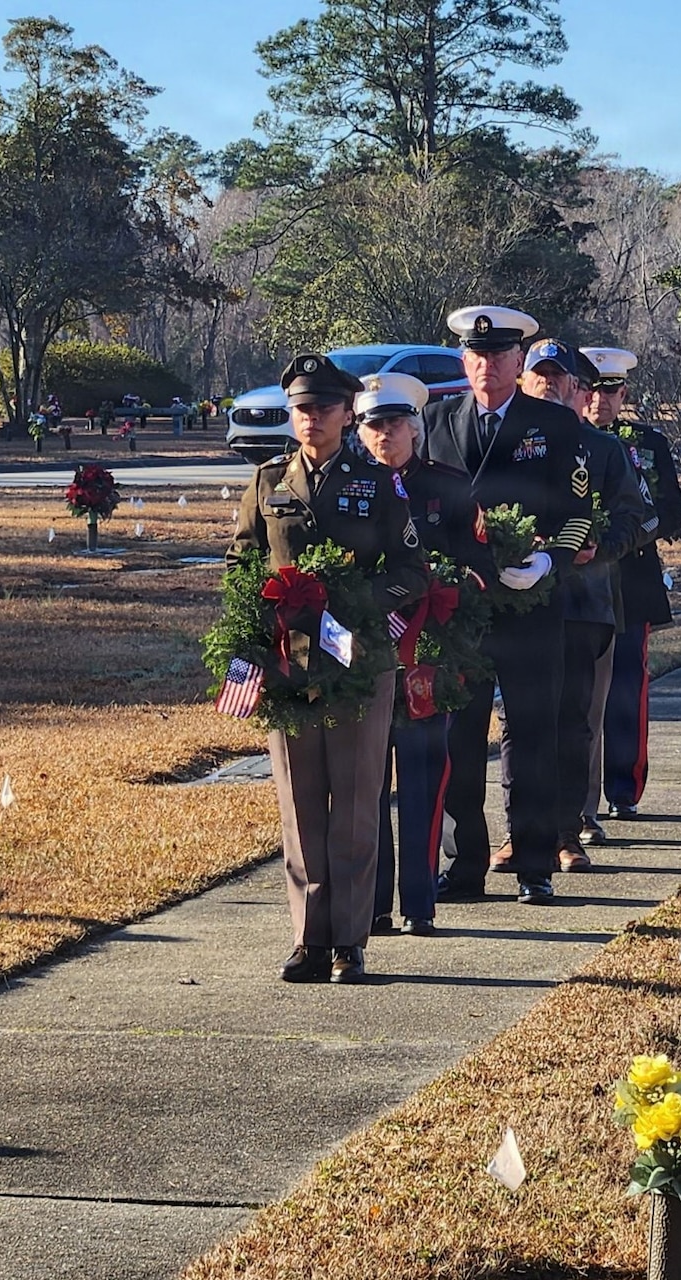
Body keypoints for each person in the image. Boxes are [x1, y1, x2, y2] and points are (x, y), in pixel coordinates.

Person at [228, 354, 428, 984]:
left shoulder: (379, 483)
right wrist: (260, 624)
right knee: (300, 802)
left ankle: (350, 939)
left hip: (358, 663)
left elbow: (409, 572)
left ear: (347, 413)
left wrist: (348, 605)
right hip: (290, 668)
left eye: (322, 408)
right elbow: (241, 564)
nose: (310, 419)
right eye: (300, 409)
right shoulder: (267, 482)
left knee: (356, 803)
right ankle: (308, 938)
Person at [424, 314, 593, 905]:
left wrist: (552, 561)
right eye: (477, 354)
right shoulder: (436, 420)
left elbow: (578, 510)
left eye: (500, 354)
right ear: (462, 360)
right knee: (461, 738)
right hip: (462, 611)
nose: (488, 365)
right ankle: (466, 864)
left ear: (519, 362)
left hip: (529, 605)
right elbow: (423, 507)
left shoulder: (551, 422)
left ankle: (534, 862)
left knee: (532, 733)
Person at [493, 349, 646, 873]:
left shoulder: (602, 449)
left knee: (572, 722)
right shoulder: (509, 439)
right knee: (518, 722)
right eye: (540, 377)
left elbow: (636, 517)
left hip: (583, 602)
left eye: (561, 380)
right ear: (524, 378)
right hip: (518, 600)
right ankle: (519, 833)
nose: (549, 387)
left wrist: (599, 547)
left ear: (579, 390)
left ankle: (565, 832)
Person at [355, 373, 493, 937]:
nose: (385, 435)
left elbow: (480, 569)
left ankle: (419, 903)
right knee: (367, 785)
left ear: (415, 428)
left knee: (422, 778)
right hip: (366, 655)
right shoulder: (352, 490)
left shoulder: (450, 487)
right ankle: (375, 905)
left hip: (430, 660)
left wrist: (446, 610)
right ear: (360, 433)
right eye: (374, 426)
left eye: (395, 424)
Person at [581, 348, 681, 821]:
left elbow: (673, 513)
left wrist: (631, 534)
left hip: (632, 579)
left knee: (627, 687)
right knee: (580, 692)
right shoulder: (565, 439)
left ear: (623, 394)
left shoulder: (647, 443)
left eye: (611, 391)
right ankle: (577, 798)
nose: (601, 401)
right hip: (580, 580)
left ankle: (623, 788)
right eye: (594, 390)